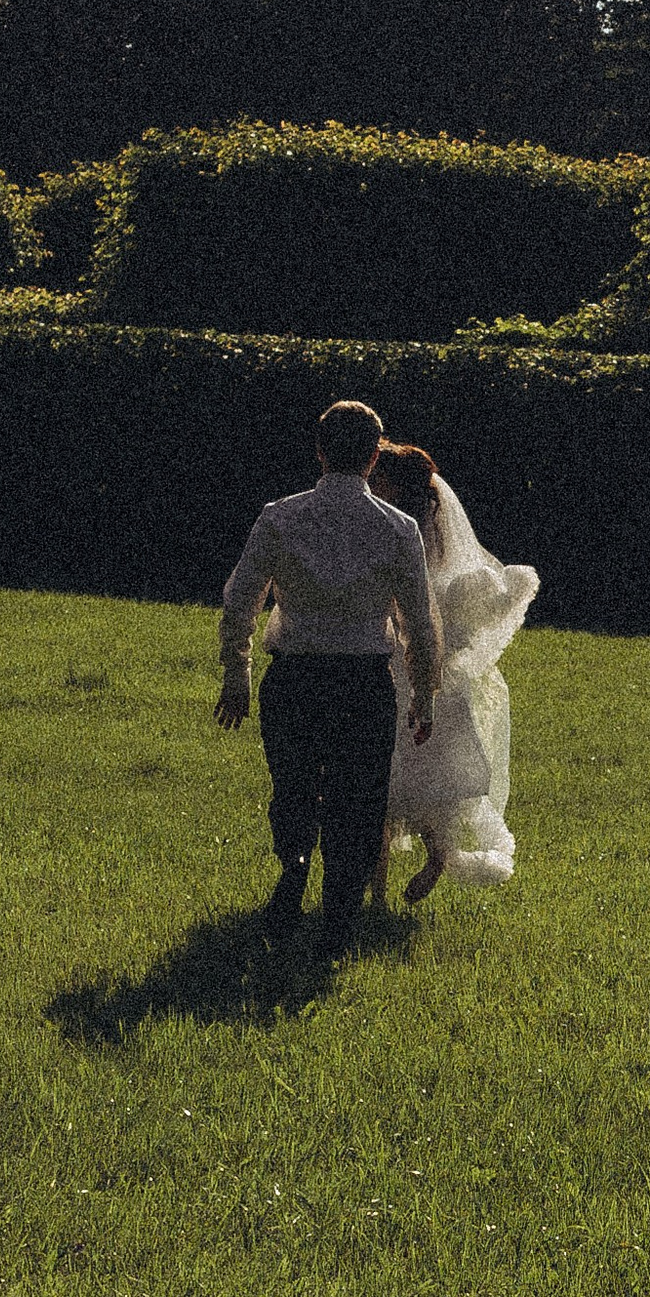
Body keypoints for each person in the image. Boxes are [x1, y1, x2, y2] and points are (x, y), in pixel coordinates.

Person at [215, 399, 440, 956]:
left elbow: (241, 597)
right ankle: (339, 912)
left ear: (319, 451)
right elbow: (418, 620)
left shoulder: (280, 516)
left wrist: (238, 670)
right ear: (372, 458)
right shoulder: (398, 527)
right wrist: (425, 695)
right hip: (364, 685)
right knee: (357, 800)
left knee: (293, 790)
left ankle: (292, 878)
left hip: (294, 680)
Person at [364, 440, 538, 904]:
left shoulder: (415, 541)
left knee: (424, 784)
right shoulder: (397, 531)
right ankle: (386, 886)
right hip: (400, 674)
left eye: (378, 478)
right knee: (397, 787)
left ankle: (429, 863)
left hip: (424, 680)